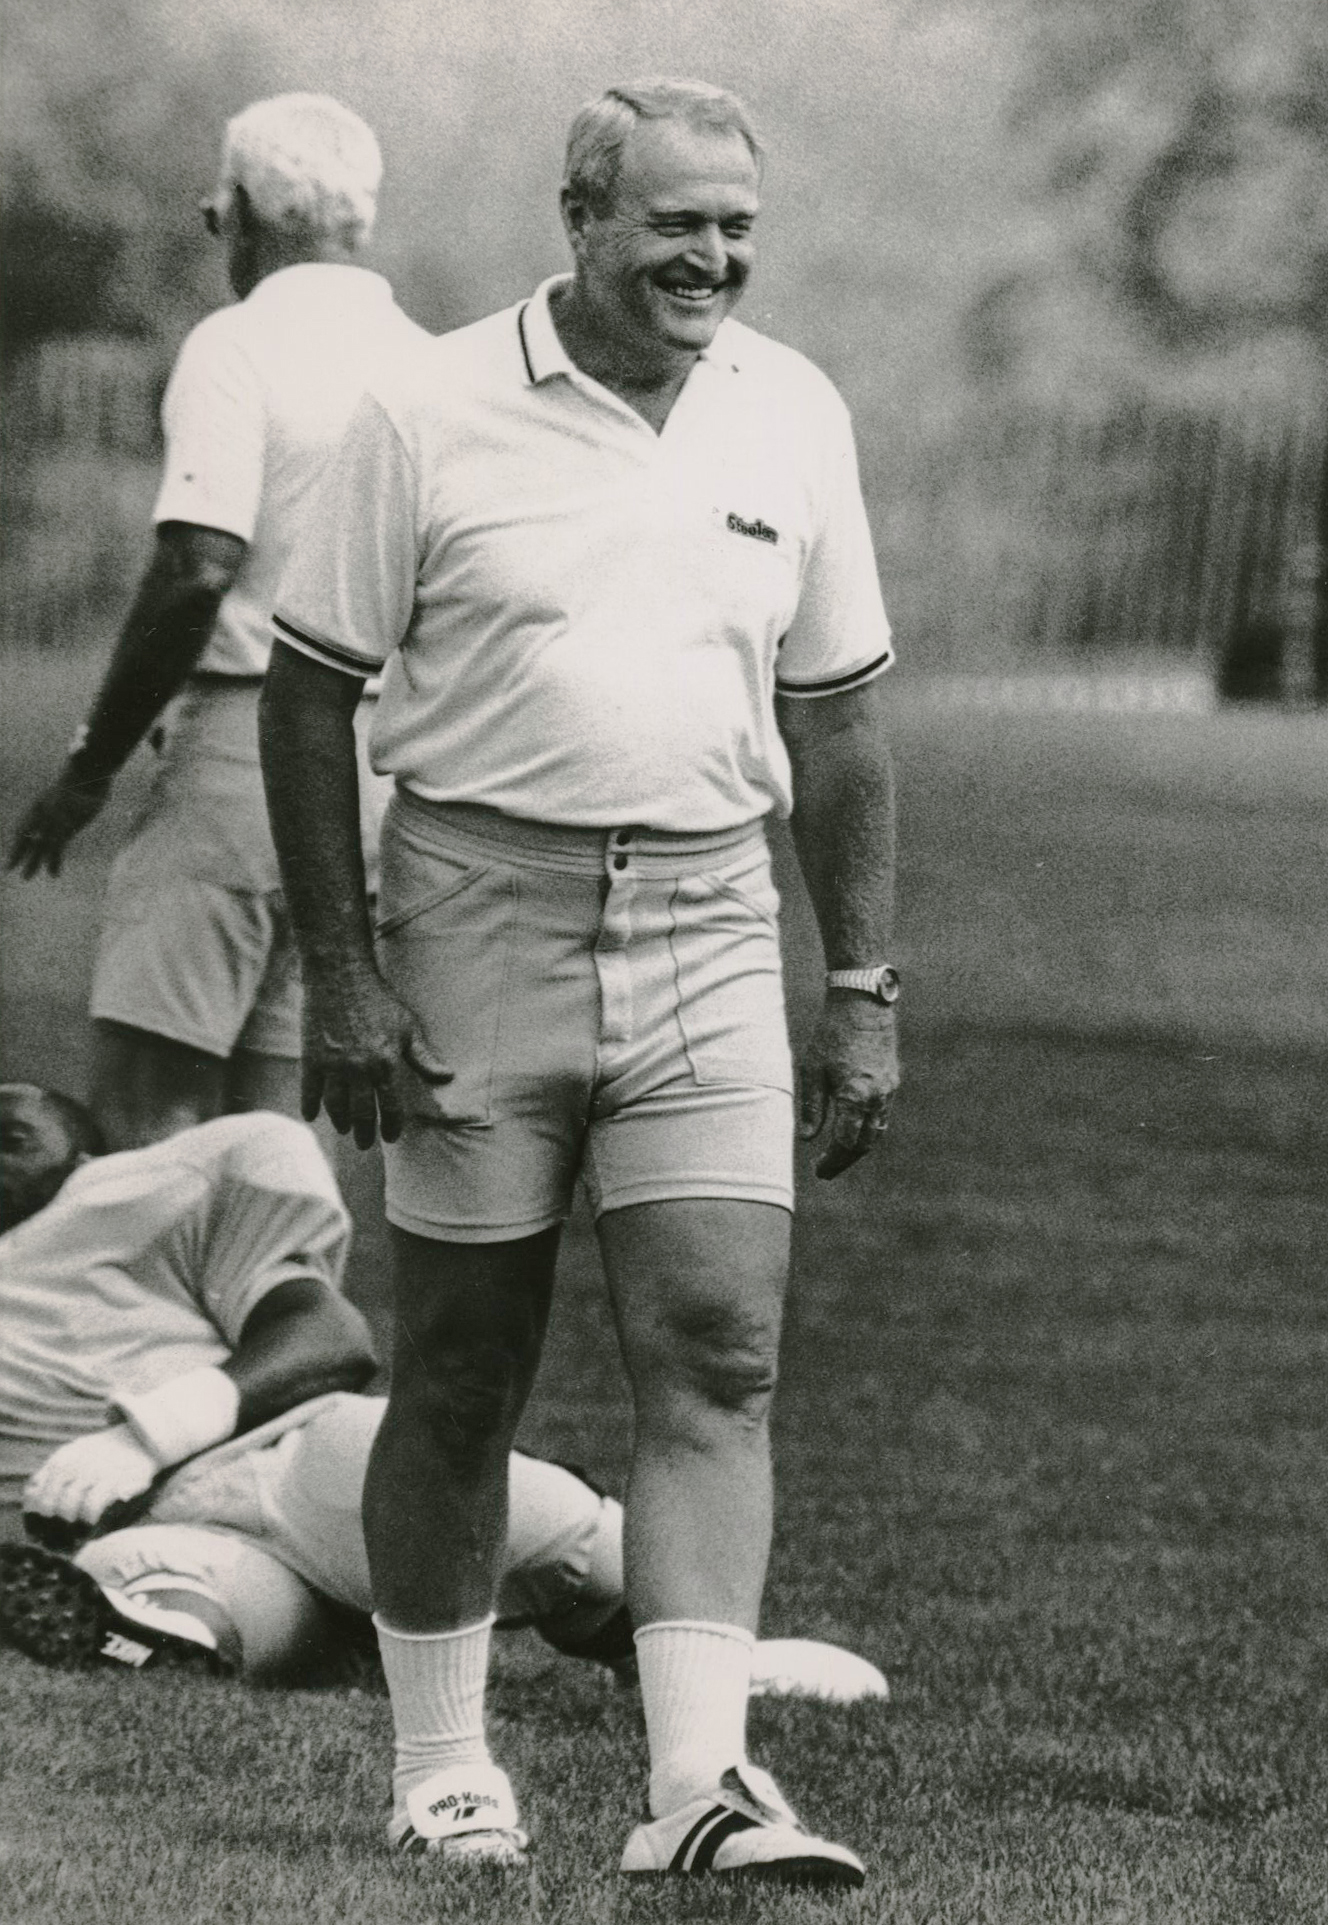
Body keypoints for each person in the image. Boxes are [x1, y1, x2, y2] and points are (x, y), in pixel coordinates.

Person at [258, 78, 900, 1884]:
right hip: (474, 915)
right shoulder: (428, 405)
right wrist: (347, 971)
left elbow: (839, 717)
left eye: (737, 229)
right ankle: (444, 1764)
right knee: (463, 1368)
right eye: (676, 222)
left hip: (707, 922)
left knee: (722, 1354)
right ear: (582, 218)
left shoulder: (794, 413)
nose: (712, 259)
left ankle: (695, 1786)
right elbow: (311, 696)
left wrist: (864, 981)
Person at [0, 1083, 888, 1714]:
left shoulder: (135, 1194)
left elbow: (327, 1336)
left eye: (12, 1132)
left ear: (89, 1156)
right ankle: (182, 1637)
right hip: (119, 1526)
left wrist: (142, 1437)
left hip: (279, 1453)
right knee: (161, 1603)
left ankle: (695, 1665)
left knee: (582, 1543)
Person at [5, 95, 419, 1153]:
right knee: (279, 1147)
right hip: (380, 771)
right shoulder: (429, 362)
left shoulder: (237, 344)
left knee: (152, 1128)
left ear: (245, 212)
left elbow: (198, 568)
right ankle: (297, 1324)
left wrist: (90, 764)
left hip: (245, 750)